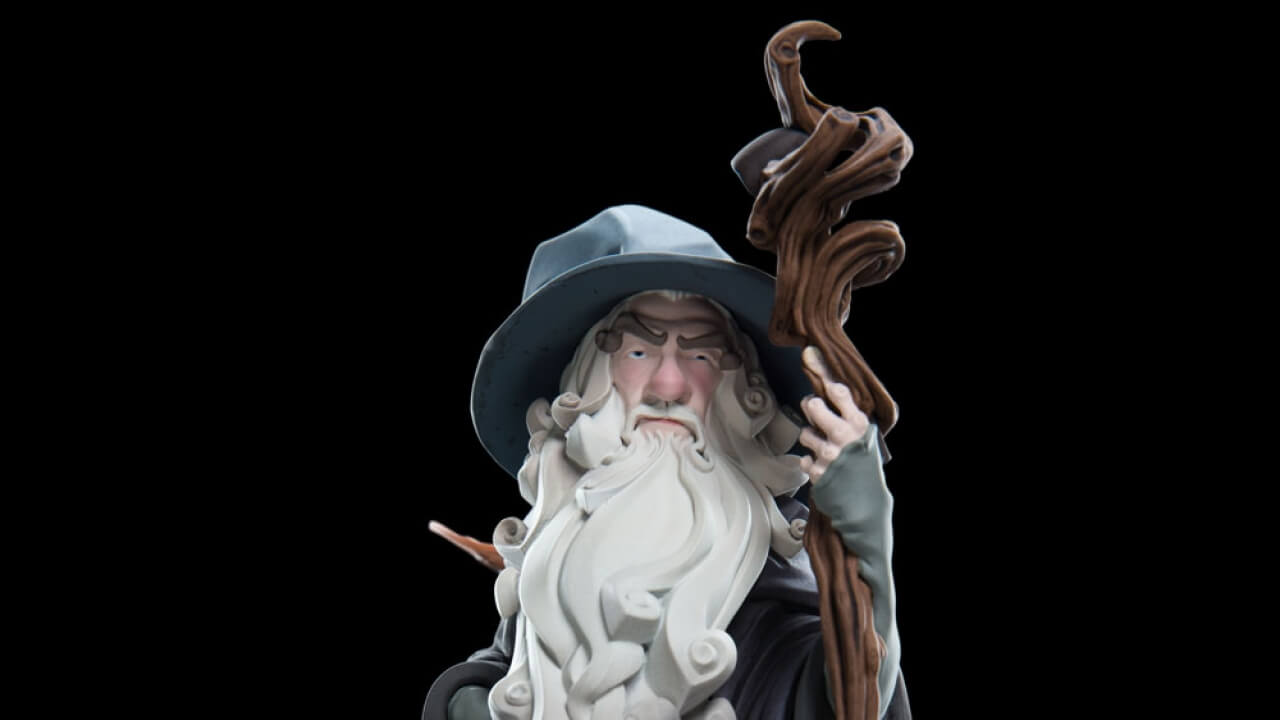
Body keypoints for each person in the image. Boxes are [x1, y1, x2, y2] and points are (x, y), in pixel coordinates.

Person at [425, 205, 910, 720]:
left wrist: (861, 527)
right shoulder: (552, 574)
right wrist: (464, 700)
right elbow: (505, 670)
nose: (669, 387)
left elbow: (854, 691)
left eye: (700, 356)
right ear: (586, 386)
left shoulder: (773, 610)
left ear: (737, 396)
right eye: (639, 353)